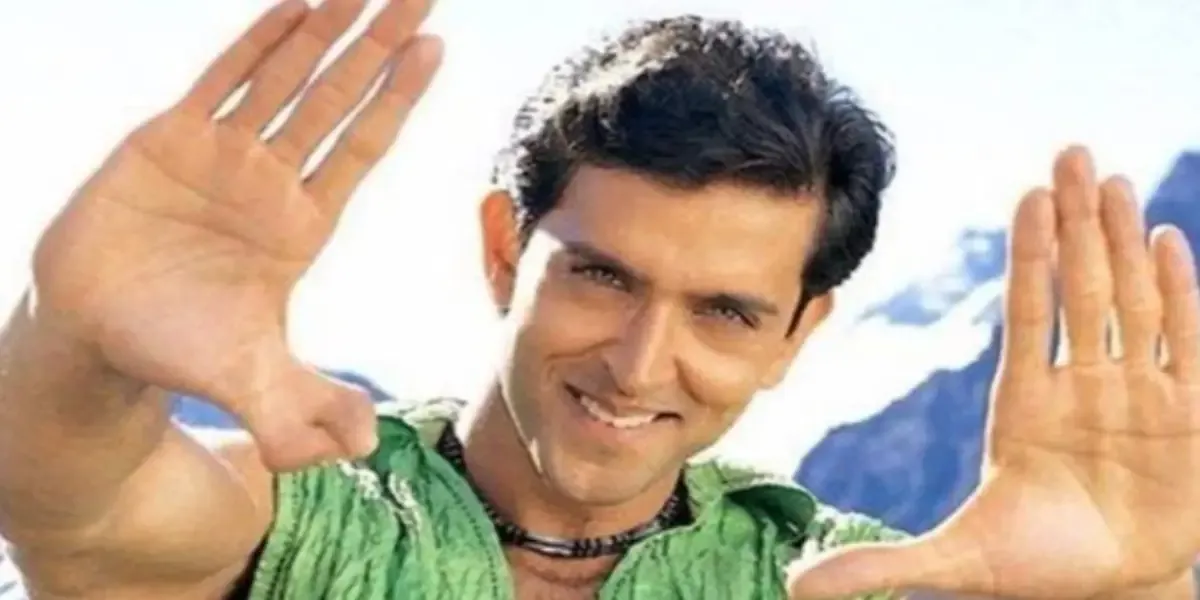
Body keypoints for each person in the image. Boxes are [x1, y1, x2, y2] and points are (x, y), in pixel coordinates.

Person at [0, 0, 1197, 598]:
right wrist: (72, 344)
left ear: (798, 333)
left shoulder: (838, 578)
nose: (638, 361)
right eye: (603, 274)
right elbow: (74, 507)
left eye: (725, 311)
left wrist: (1145, 590)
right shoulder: (303, 516)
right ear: (502, 250)